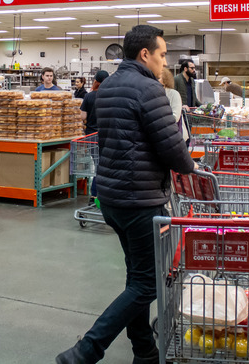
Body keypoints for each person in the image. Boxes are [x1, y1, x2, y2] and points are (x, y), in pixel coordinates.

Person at [56, 25, 195, 364]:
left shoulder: (109, 87)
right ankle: (85, 352)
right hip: (141, 199)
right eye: (162, 55)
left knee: (137, 278)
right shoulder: (149, 89)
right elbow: (171, 148)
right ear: (145, 54)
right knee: (147, 285)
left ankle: (144, 352)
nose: (165, 62)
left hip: (112, 198)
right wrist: (190, 165)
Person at [79, 70, 109, 203]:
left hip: (91, 135)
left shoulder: (89, 96)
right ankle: (99, 194)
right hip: (106, 135)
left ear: (95, 81)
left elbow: (83, 116)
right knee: (104, 165)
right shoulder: (110, 96)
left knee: (98, 165)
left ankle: (95, 195)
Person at [160, 67, 189, 144]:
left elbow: (175, 117)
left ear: (165, 79)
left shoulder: (173, 94)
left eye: (158, 77)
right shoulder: (152, 95)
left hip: (176, 138)